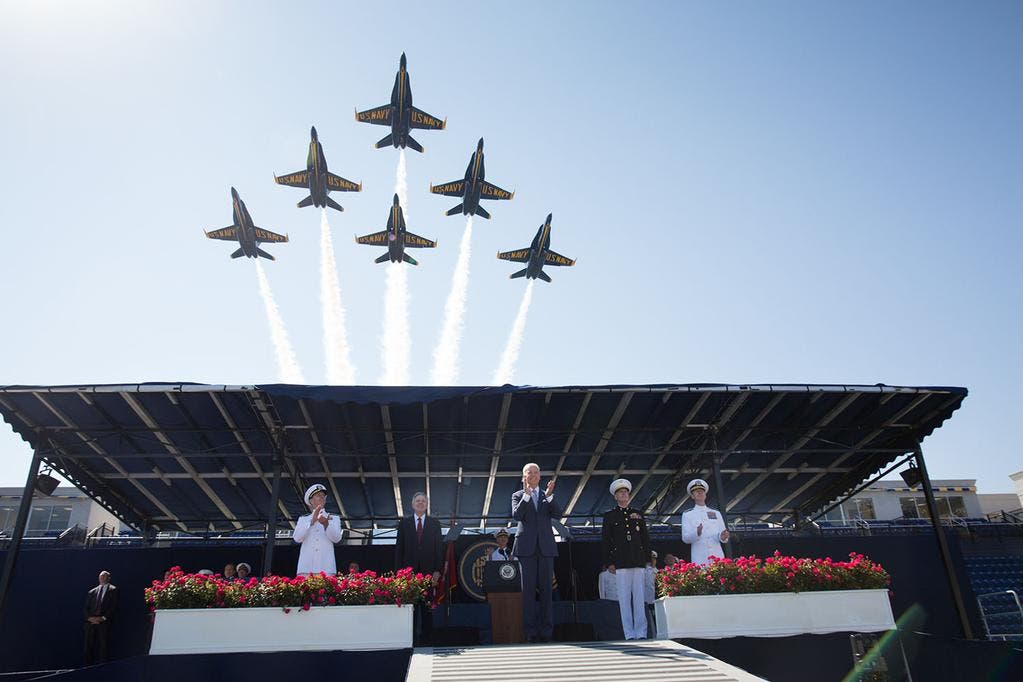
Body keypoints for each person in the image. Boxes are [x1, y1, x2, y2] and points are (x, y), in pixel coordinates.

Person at [511, 462, 561, 643]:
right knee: (528, 592)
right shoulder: (517, 495)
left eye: (535, 472)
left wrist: (549, 496)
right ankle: (530, 632)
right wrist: (526, 496)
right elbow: (517, 516)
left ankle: (547, 631)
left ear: (540, 476)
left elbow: (558, 514)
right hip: (526, 549)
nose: (532, 475)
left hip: (546, 548)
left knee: (547, 591)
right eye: (529, 473)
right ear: (524, 477)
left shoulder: (546, 495)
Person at [601, 478, 651, 640]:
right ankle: (629, 633)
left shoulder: (637, 514)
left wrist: (648, 559)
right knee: (624, 599)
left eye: (625, 492)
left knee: (639, 598)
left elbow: (645, 538)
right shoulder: (610, 516)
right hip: (621, 561)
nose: (623, 494)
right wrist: (609, 562)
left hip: (638, 559)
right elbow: (606, 540)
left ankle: (641, 632)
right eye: (620, 493)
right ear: (615, 496)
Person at [395, 492, 444, 643]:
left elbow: (439, 549)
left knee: (427, 606)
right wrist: (399, 573)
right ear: (412, 504)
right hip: (408, 573)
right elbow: (399, 549)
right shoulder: (404, 524)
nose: (420, 503)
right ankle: (411, 639)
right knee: (411, 606)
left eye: (423, 501)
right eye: (418, 501)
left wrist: (438, 571)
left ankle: (427, 639)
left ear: (427, 504)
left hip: (429, 572)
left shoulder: (435, 524)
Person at [294, 483, 343, 576]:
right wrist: (311, 522)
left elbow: (337, 539)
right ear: (311, 501)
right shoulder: (303, 519)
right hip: (306, 568)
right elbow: (297, 538)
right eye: (318, 495)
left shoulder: (334, 518)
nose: (321, 498)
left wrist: (326, 524)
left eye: (323, 496)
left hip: (326, 568)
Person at [681, 479, 730, 566]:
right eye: (696, 491)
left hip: (717, 556)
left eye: (702, 491)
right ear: (692, 496)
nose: (700, 493)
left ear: (705, 494)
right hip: (700, 558)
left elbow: (722, 535)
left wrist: (723, 536)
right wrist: (697, 533)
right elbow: (685, 538)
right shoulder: (687, 514)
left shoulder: (716, 513)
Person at [84, 570, 118, 665]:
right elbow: (86, 608)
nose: (102, 578)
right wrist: (90, 618)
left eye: (104, 576)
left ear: (109, 578)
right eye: (101, 576)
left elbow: (113, 607)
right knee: (88, 645)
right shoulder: (92, 591)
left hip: (104, 622)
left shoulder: (113, 590)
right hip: (91, 622)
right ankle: (88, 666)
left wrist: (103, 618)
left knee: (103, 645)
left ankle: (102, 666)